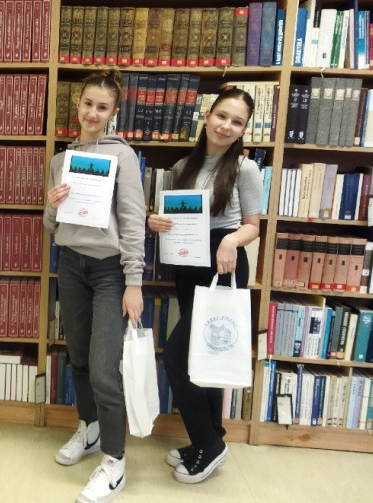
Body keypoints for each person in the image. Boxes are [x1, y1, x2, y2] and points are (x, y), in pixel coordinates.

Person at [147, 88, 261, 484]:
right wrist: (156, 221)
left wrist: (231, 240)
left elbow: (253, 226)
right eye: (222, 116)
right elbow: (176, 218)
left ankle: (209, 446)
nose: (227, 126)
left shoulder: (246, 168)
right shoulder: (183, 166)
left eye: (237, 122)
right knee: (203, 357)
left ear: (243, 129)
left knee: (179, 357)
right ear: (208, 115)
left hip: (224, 264)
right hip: (189, 262)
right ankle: (209, 438)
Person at [43, 70, 145, 503]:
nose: (92, 113)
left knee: (104, 369)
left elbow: (134, 220)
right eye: (87, 103)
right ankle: (89, 428)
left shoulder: (122, 157)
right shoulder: (61, 159)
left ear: (113, 113)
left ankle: (114, 461)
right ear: (78, 104)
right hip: (70, 265)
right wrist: (52, 206)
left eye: (102, 107)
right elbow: (52, 225)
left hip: (109, 272)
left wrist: (134, 281)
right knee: (79, 358)